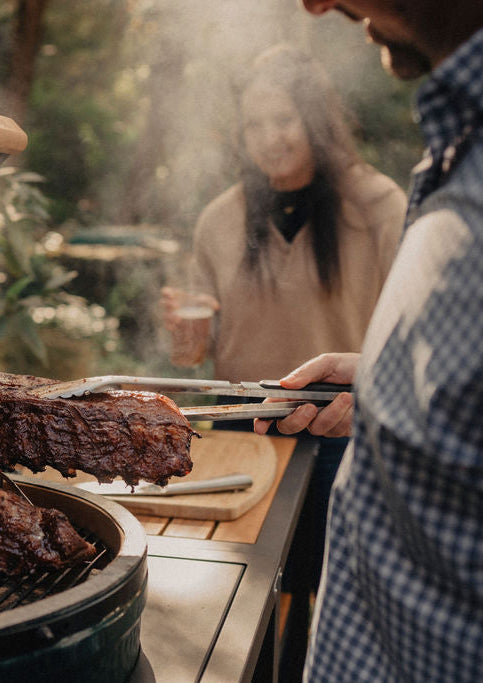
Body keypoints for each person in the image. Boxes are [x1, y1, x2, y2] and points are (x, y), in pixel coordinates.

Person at [252, 2, 483, 681]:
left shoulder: (384, 203)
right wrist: (386, 385)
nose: (313, 4)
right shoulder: (454, 157)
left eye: (282, 120)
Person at [160, 43, 406, 681]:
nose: (269, 139)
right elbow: (196, 352)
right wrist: (182, 340)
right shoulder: (221, 218)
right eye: (254, 125)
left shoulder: (377, 206)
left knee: (337, 607)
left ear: (316, 122)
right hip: (249, 437)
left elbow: (411, 341)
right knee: (242, 609)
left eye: (283, 121)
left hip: (347, 433)